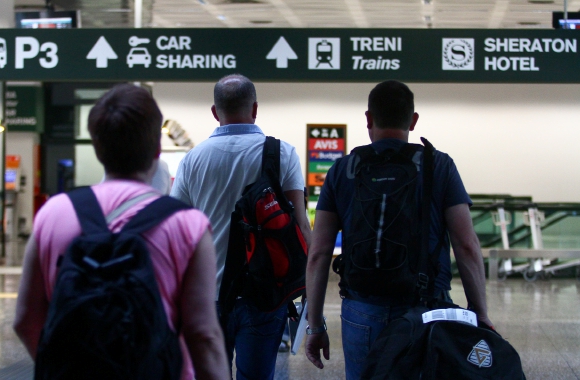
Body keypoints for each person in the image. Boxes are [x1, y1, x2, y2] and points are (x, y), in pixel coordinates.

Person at [13, 84, 229, 380]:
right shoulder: (187, 224)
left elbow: (25, 320)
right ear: (156, 149)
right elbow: (203, 335)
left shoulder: (53, 212)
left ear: (97, 147)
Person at [304, 80, 492, 379]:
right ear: (413, 120)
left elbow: (319, 253)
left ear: (368, 118)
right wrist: (479, 313)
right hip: (427, 308)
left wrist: (315, 326)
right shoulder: (438, 165)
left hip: (361, 308)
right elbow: (466, 245)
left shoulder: (342, 169)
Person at [170, 73, 311, 380]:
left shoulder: (192, 160)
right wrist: (309, 291)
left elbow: (176, 229)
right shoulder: (280, 153)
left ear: (214, 111)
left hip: (207, 295)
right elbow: (301, 225)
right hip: (265, 293)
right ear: (255, 108)